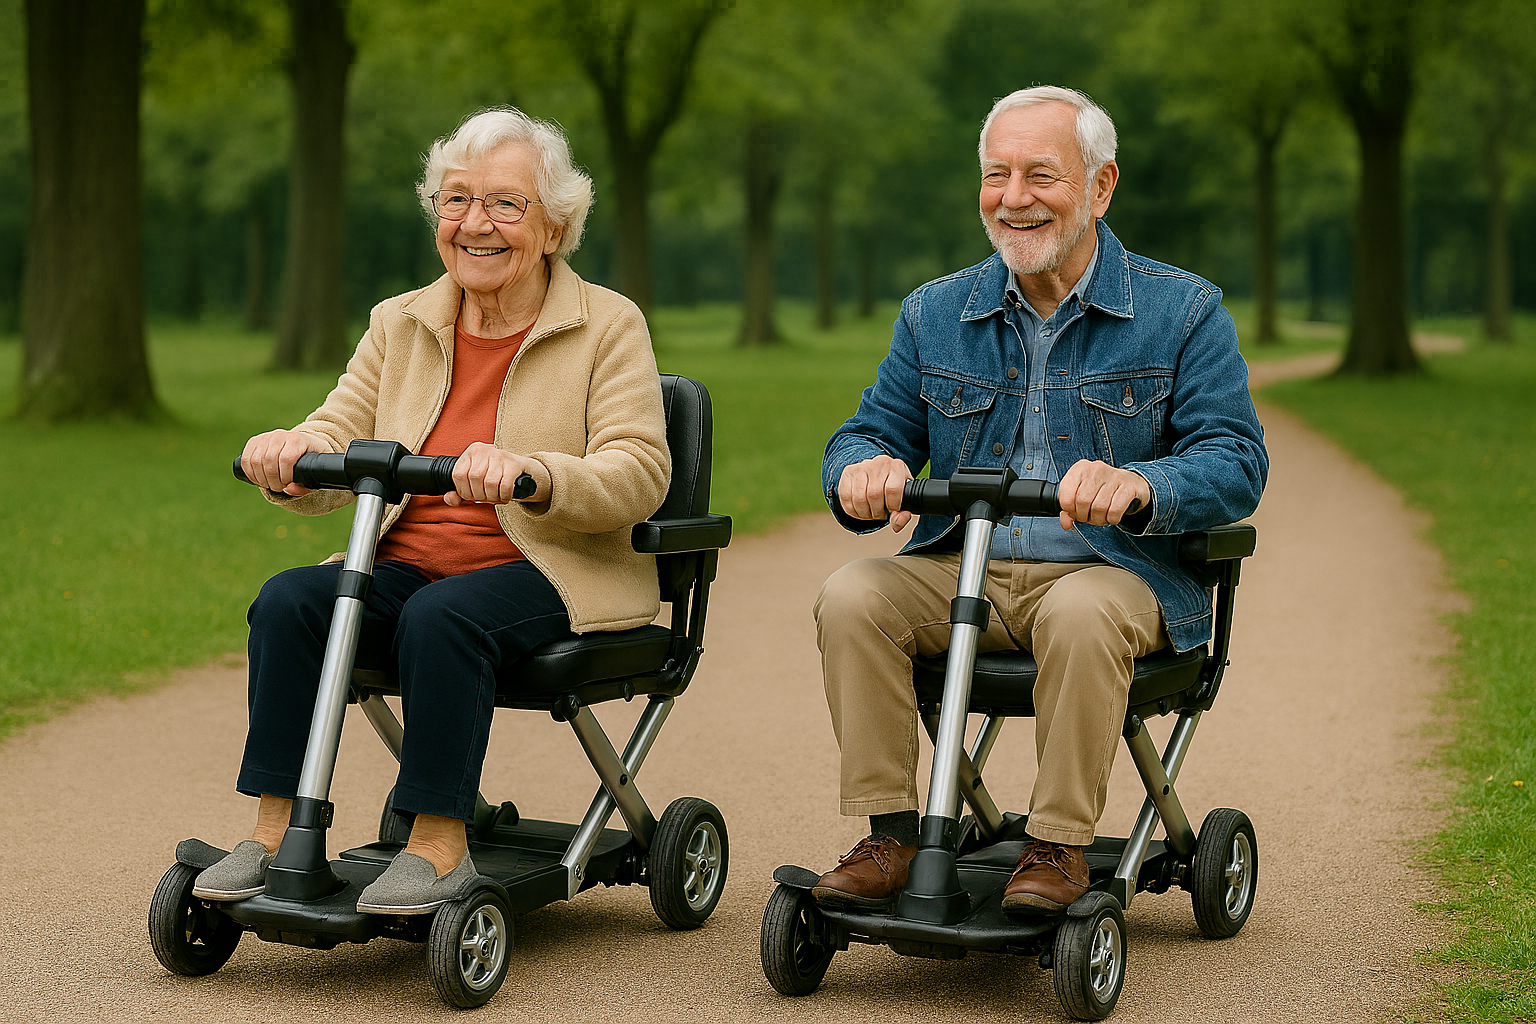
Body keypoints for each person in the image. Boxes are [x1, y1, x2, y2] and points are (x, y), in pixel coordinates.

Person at [192, 107, 670, 915]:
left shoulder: (608, 324)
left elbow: (640, 470)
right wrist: (291, 453)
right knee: (290, 601)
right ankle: (273, 830)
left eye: (504, 205)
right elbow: (338, 427)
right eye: (455, 202)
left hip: (547, 568)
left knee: (444, 618)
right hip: (407, 563)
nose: (473, 224)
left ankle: (440, 841)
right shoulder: (400, 320)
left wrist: (533, 473)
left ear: (554, 228)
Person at [810, 86, 1267, 914]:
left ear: (1100, 187)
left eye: (1041, 175)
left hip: (1113, 574)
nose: (1013, 198)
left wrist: (1142, 484)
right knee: (853, 594)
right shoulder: (934, 312)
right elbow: (862, 434)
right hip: (963, 571)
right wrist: (863, 467)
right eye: (996, 175)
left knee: (1081, 613)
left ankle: (1059, 848)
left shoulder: (1183, 310)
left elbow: (1236, 462)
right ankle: (891, 834)